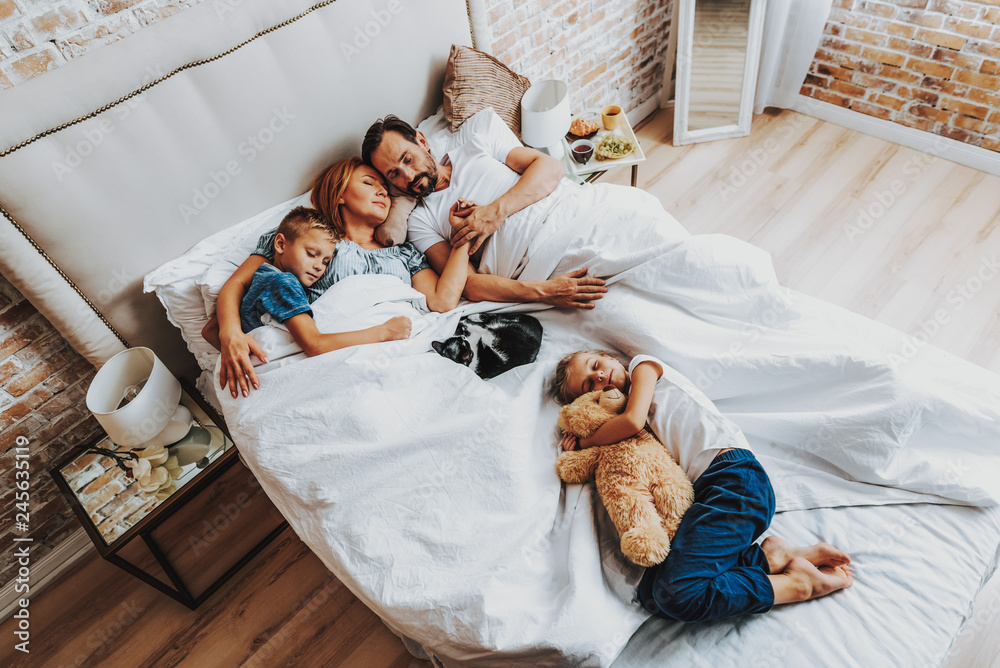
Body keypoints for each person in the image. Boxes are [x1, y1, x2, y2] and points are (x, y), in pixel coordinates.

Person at [550, 349, 854, 622]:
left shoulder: (645, 366)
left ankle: (798, 584)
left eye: (596, 365)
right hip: (708, 492)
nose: (600, 377)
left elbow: (632, 420)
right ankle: (767, 559)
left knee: (681, 594)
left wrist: (585, 443)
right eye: (590, 386)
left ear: (611, 357)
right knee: (653, 596)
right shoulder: (629, 425)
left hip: (736, 479)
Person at [205, 157, 473, 397]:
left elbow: (442, 302)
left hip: (398, 350)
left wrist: (463, 236)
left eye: (386, 189)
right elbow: (239, 284)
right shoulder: (307, 239)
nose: (382, 191)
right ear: (340, 193)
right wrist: (231, 334)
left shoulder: (405, 254)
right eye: (369, 183)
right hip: (336, 353)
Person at [363, 112, 615, 305]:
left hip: (576, 211)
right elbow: (469, 284)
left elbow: (551, 167)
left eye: (407, 159)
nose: (408, 176)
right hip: (543, 264)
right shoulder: (420, 221)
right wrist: (542, 291)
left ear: (422, 140)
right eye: (393, 174)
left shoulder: (476, 146)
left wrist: (493, 213)